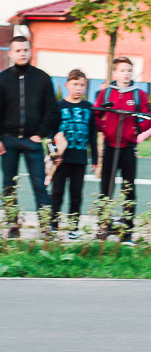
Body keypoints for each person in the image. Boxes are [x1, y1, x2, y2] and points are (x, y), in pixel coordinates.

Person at [0, 36, 59, 237]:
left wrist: (39, 134)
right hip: (8, 140)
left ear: (31, 51)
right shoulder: (3, 78)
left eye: (25, 49)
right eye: (18, 50)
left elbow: (51, 110)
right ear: (11, 53)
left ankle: (46, 225)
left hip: (33, 140)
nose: (22, 53)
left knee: (39, 183)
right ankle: (13, 225)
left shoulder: (42, 78)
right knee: (9, 184)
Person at [94, 56, 151, 243]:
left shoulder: (139, 95)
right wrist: (104, 129)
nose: (126, 74)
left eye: (129, 70)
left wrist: (137, 131)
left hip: (128, 148)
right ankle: (103, 227)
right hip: (110, 147)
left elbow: (149, 118)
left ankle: (127, 231)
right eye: (122, 70)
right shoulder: (105, 93)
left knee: (128, 189)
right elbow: (96, 115)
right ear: (115, 73)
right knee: (106, 189)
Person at [49, 69, 98, 237]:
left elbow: (93, 134)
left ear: (86, 87)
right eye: (75, 84)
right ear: (67, 85)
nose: (78, 88)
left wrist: (95, 159)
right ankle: (53, 224)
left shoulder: (88, 107)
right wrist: (53, 155)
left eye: (82, 85)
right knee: (57, 193)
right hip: (61, 159)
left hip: (80, 158)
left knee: (76, 195)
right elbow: (50, 133)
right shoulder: (58, 106)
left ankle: (73, 227)